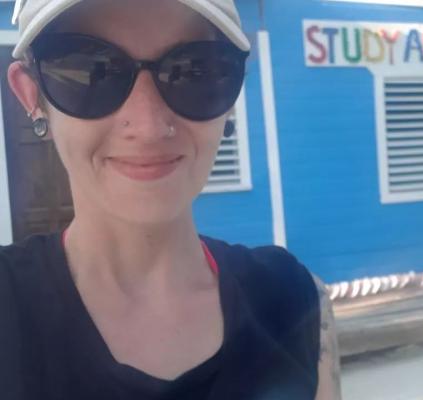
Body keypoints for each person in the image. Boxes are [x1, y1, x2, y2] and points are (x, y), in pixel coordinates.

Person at [0, 0, 341, 398]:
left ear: (231, 95)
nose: (147, 127)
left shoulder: (295, 302)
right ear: (31, 95)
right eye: (93, 72)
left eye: (194, 71)